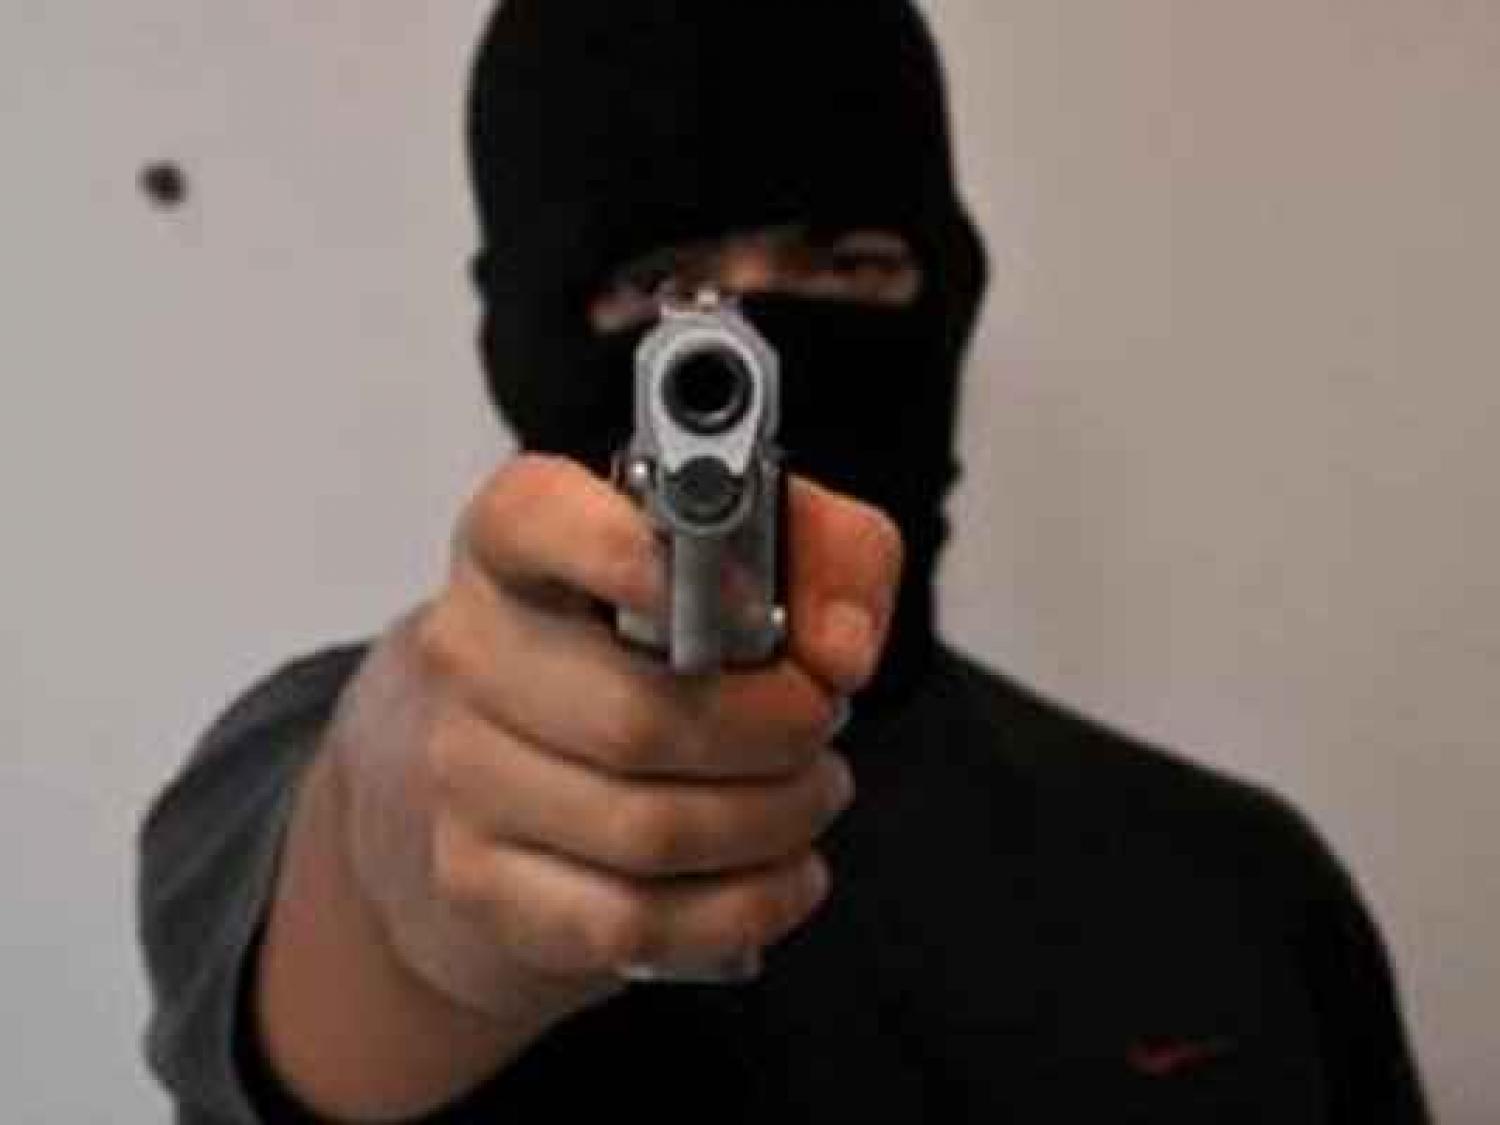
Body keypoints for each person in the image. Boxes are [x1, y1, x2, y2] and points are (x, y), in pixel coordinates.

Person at [135, 2, 1432, 1122]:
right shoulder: (324, 761)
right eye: (658, 281)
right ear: (524, 337)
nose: (754, 342)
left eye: (847, 264)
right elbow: (361, 904)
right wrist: (404, 892)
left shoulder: (1242, 886)